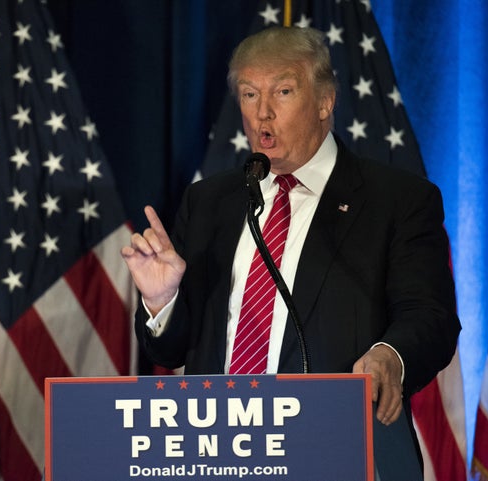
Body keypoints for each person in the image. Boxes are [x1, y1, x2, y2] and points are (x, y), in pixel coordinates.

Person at [121, 25, 460, 460]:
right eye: (248, 94)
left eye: (282, 92)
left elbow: (430, 317)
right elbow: (170, 349)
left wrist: (390, 355)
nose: (263, 113)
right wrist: (162, 303)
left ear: (325, 100)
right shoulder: (208, 202)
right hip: (219, 453)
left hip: (337, 450)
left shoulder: (397, 201)